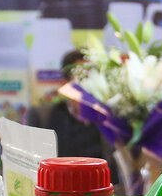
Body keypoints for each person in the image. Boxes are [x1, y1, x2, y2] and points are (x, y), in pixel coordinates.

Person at [26, 48, 118, 180]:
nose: (89, 85)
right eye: (82, 78)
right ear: (65, 83)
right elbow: (31, 170)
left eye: (94, 77)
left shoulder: (113, 119)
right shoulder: (42, 117)